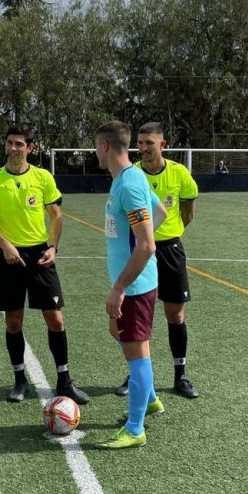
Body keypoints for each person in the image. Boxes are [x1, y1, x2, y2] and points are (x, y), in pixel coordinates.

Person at [0, 125, 89, 405]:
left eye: (19, 144)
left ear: (30, 147)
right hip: (8, 257)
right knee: (14, 321)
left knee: (55, 318)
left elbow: (56, 215)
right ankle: (19, 379)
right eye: (9, 143)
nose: (13, 148)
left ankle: (65, 380)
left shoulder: (42, 177)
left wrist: (53, 247)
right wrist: (6, 245)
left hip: (40, 256)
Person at [115, 122, 201, 399]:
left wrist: (171, 234)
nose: (142, 149)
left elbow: (188, 212)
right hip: (140, 251)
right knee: (140, 316)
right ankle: (136, 375)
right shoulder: (133, 174)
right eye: (139, 143)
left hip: (170, 249)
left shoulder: (179, 173)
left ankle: (180, 375)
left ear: (162, 145)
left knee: (175, 314)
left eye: (148, 143)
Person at [96, 121, 167, 449]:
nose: (96, 151)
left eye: (97, 146)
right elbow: (161, 212)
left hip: (135, 287)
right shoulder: (127, 179)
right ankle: (150, 397)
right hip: (131, 282)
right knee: (119, 333)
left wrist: (120, 287)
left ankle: (135, 428)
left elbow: (147, 245)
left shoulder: (129, 185)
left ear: (105, 146)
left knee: (137, 352)